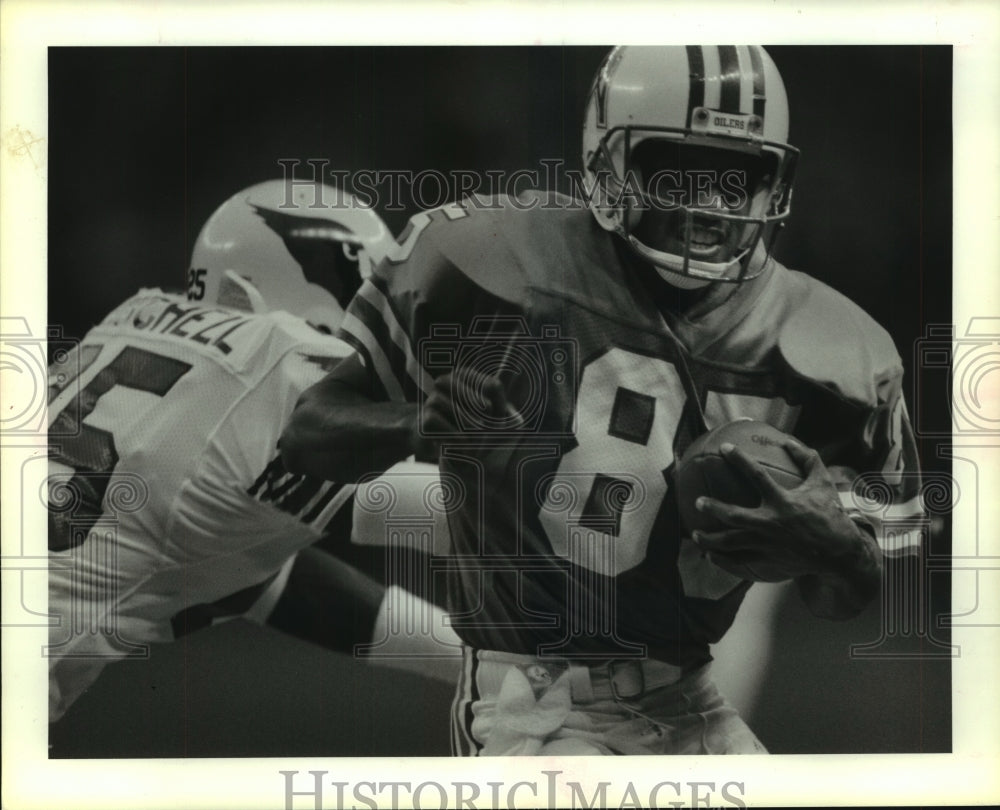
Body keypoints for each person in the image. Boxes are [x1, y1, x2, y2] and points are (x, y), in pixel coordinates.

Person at [279, 46, 924, 755]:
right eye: (678, 170)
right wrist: (412, 425)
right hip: (535, 703)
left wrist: (838, 551)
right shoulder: (486, 259)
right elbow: (309, 432)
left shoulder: (835, 348)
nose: (708, 205)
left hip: (692, 699)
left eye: (736, 177)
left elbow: (847, 595)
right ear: (609, 162)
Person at [46, 179, 459, 723]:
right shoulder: (277, 362)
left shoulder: (132, 326)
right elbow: (432, 507)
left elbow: (257, 580)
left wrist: (463, 661)